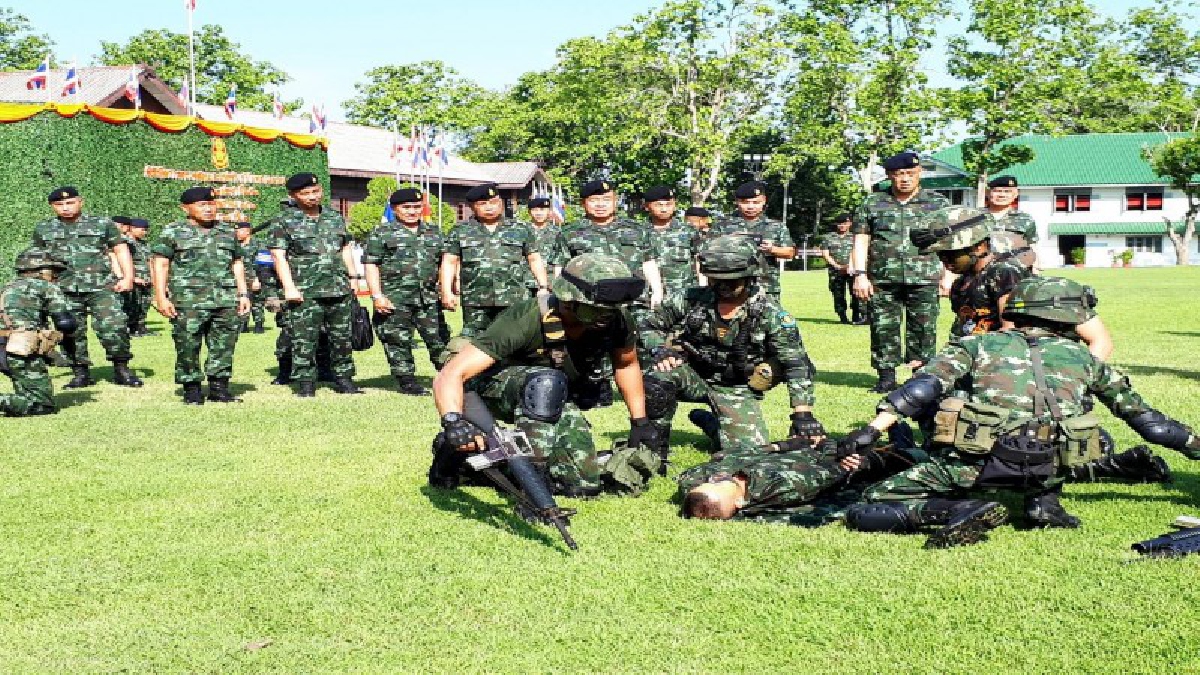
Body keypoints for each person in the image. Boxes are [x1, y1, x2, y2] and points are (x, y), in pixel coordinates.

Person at [838, 276, 1200, 548]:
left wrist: (871, 430)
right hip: (1049, 470)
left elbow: (922, 388)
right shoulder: (1087, 360)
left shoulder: (975, 345)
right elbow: (1152, 425)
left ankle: (957, 510)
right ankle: (1043, 505)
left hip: (975, 468)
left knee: (867, 505)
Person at [431, 254, 659, 497]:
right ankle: (530, 483)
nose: (607, 316)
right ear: (568, 300)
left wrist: (640, 422)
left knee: (582, 485)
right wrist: (454, 422)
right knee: (545, 383)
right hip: (492, 392)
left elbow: (626, 365)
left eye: (612, 310)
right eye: (596, 311)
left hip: (552, 397)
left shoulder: (615, 319)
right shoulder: (526, 317)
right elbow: (451, 373)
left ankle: (470, 462)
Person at [640, 235, 821, 460]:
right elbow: (647, 325)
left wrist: (802, 413)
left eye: (732, 282)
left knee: (748, 454)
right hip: (693, 375)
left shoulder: (771, 313)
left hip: (735, 386)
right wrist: (660, 349)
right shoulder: (690, 299)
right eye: (716, 281)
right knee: (657, 381)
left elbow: (795, 363)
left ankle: (714, 426)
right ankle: (652, 451)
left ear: (749, 277)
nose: (723, 287)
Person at [849, 152, 951, 393]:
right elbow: (861, 239)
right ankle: (886, 377)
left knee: (924, 329)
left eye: (910, 174)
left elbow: (949, 242)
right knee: (882, 327)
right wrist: (860, 274)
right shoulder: (873, 202)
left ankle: (920, 376)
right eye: (898, 174)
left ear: (919, 173)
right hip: (882, 277)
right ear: (889, 176)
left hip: (925, 276)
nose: (905, 179)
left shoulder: (937, 203)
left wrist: (949, 275)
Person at [678, 432, 922, 524]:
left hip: (795, 450)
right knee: (893, 457)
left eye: (712, 482)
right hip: (830, 461)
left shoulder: (698, 482)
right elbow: (834, 471)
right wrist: (830, 449)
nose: (719, 479)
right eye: (724, 485)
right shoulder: (785, 486)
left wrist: (784, 445)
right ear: (740, 503)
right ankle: (905, 445)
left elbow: (730, 456)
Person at [31, 186, 142, 388]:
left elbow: (120, 248)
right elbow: (39, 258)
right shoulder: (44, 228)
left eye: (70, 202)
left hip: (102, 287)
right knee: (70, 331)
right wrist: (44, 285)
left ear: (80, 202)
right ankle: (80, 373)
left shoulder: (101, 224)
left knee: (114, 326)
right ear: (52, 206)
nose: (65, 207)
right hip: (63, 288)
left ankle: (122, 369)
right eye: (59, 204)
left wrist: (128, 277)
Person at [150, 187, 251, 404]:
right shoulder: (173, 231)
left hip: (225, 298)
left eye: (211, 204)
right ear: (185, 208)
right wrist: (161, 297)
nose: (208, 209)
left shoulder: (226, 231)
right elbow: (161, 263)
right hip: (188, 300)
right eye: (202, 205)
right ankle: (191, 388)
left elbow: (236, 262)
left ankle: (219, 387)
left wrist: (243, 293)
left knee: (224, 345)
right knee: (187, 344)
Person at [267, 172, 362, 397]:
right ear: (293, 195)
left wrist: (353, 277)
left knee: (341, 337)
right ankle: (306, 382)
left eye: (316, 191)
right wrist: (289, 287)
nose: (312, 196)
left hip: (338, 286)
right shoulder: (283, 221)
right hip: (305, 289)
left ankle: (344, 379)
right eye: (306, 193)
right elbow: (279, 256)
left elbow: (345, 248)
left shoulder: (334, 217)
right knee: (304, 339)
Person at [363, 188, 447, 395]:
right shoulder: (382, 233)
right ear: (394, 209)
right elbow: (371, 264)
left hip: (428, 298)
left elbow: (444, 262)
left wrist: (447, 289)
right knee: (397, 341)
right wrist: (377, 296)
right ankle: (407, 381)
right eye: (406, 207)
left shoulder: (434, 232)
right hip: (395, 298)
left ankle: (451, 376)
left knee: (439, 340)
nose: (412, 211)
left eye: (417, 207)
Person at [440, 183, 550, 337]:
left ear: (500, 202)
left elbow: (534, 259)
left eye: (493, 202)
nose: (489, 207)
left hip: (514, 298)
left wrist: (543, 286)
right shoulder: (460, 231)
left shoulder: (520, 229)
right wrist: (446, 292)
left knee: (514, 340)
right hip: (476, 301)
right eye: (483, 204)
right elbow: (449, 262)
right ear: (472, 207)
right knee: (476, 342)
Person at [910, 207, 1031, 339]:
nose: (944, 261)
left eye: (951, 254)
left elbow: (1010, 332)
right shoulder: (961, 283)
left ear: (979, 247)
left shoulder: (1003, 273)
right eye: (940, 255)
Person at [559, 179, 664, 328]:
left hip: (636, 303)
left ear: (616, 201)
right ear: (583, 203)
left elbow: (648, 262)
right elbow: (561, 269)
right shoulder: (569, 233)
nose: (600, 204)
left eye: (606, 199)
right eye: (594, 200)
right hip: (592, 305)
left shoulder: (637, 229)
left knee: (646, 339)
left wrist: (657, 291)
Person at [0, 249, 78, 416]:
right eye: (53, 271)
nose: (56, 276)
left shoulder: (7, 286)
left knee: (27, 395)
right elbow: (65, 323)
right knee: (42, 406)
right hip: (20, 349)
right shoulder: (45, 287)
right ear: (41, 270)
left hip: (4, 347)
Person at [711, 181, 795, 303]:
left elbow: (790, 253)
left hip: (766, 287)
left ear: (764, 201)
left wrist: (772, 249)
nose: (750, 207)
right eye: (745, 202)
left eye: (756, 202)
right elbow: (706, 252)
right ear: (737, 202)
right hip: (730, 287)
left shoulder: (776, 226)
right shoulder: (722, 226)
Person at [643, 185, 701, 296]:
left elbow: (699, 260)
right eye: (658, 205)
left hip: (684, 295)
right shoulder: (639, 232)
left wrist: (703, 288)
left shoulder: (688, 231)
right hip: (648, 296)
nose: (664, 209)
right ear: (646, 206)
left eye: (668, 204)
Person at [983, 175, 1038, 269]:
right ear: (988, 193)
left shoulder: (1025, 219)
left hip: (1015, 273)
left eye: (1007, 191)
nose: (1002, 195)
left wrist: (1035, 268)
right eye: (997, 191)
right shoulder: (974, 217)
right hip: (980, 274)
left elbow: (1032, 245)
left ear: (1015, 194)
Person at [819, 213, 862, 324]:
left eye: (845, 223)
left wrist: (851, 266)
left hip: (852, 270)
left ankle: (856, 316)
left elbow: (859, 252)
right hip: (836, 272)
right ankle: (842, 317)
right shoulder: (828, 238)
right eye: (839, 223)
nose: (842, 225)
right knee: (838, 294)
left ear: (850, 223)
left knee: (856, 293)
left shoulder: (854, 237)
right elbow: (825, 254)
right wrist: (837, 266)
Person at [234, 222, 266, 334]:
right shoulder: (236, 245)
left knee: (257, 301)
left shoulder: (258, 245)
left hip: (255, 277)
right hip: (241, 278)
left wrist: (257, 278)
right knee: (242, 299)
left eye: (238, 231)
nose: (236, 233)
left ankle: (259, 324)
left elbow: (263, 264)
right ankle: (243, 324)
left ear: (247, 231)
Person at [526, 196, 568, 277]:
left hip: (549, 277)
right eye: (535, 210)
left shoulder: (557, 232)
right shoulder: (522, 230)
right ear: (529, 212)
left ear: (549, 211)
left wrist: (556, 280)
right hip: (525, 278)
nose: (538, 213)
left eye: (542, 210)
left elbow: (559, 259)